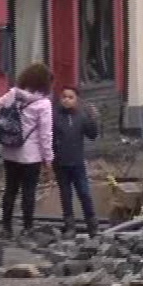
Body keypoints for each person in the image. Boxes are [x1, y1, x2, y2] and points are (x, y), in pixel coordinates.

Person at [0, 62, 54, 238]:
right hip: (31, 156)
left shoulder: (13, 94)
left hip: (10, 151)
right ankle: (28, 227)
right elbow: (45, 135)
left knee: (10, 189)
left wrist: (6, 121)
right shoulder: (43, 104)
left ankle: (6, 227)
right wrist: (48, 159)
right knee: (29, 191)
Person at [52, 86, 99, 237]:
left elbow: (92, 135)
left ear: (76, 100)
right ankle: (70, 226)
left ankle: (92, 225)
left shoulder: (81, 116)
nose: (66, 99)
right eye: (64, 96)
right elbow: (48, 138)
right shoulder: (55, 116)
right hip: (60, 162)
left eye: (70, 97)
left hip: (77, 162)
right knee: (66, 195)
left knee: (84, 193)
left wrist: (93, 119)